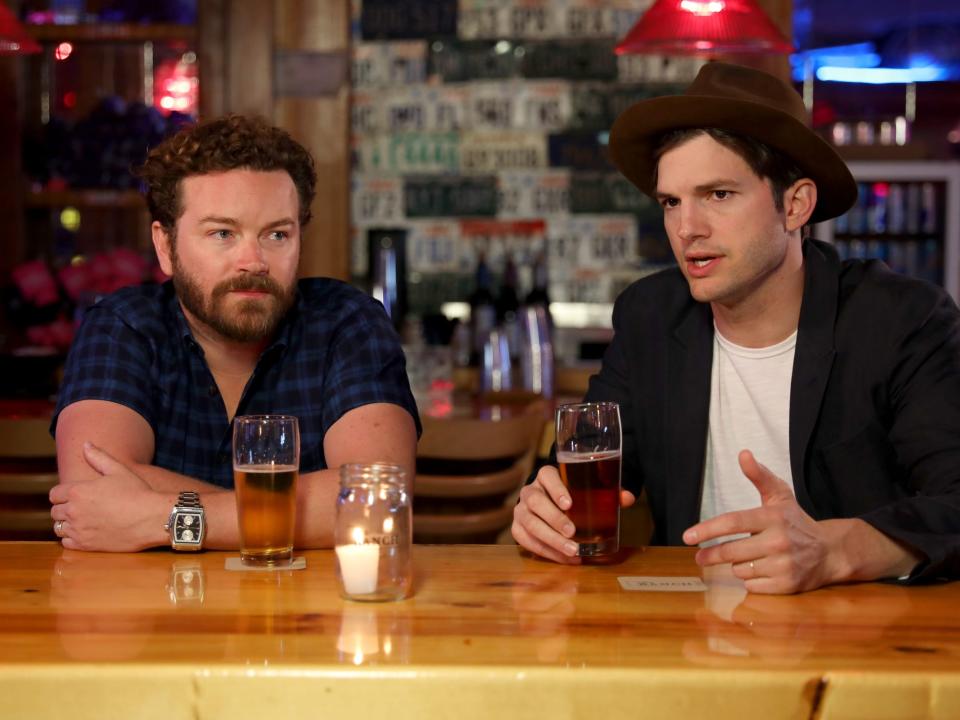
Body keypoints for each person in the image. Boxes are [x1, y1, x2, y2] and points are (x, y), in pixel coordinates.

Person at [513, 62, 960, 593]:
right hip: (684, 639)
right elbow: (584, 476)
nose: (687, 228)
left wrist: (835, 551)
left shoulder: (900, 320)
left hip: (860, 639)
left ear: (795, 205)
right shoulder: (650, 315)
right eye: (671, 202)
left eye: (718, 195)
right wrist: (544, 510)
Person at [49, 115, 420, 552]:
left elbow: (379, 503)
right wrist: (310, 510)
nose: (254, 261)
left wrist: (165, 516)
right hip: (153, 615)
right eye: (223, 233)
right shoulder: (122, 326)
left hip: (311, 614)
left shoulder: (348, 322)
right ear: (165, 246)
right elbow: (91, 495)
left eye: (277, 234)